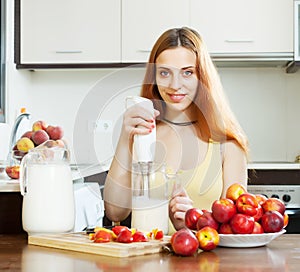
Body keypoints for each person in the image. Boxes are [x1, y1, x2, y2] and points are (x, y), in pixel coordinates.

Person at [103, 27, 249, 232]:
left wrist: (193, 223)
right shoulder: (143, 135)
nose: (175, 85)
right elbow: (115, 212)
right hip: (148, 261)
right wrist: (125, 136)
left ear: (202, 77)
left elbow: (236, 229)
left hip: (208, 263)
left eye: (187, 72)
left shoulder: (228, 144)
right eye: (165, 73)